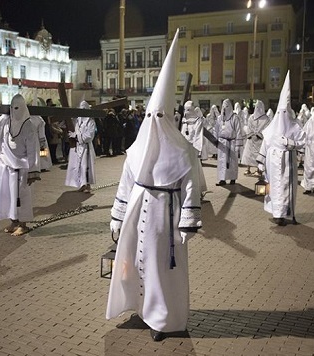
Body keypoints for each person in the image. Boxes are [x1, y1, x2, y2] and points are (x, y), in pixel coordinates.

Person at [106, 29, 202, 342]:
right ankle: (141, 309)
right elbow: (125, 184)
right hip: (138, 216)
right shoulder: (136, 149)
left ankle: (164, 320)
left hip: (166, 219)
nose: (154, 120)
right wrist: (117, 219)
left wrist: (188, 221)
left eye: (160, 115)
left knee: (163, 273)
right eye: (151, 115)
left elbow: (190, 186)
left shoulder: (183, 149)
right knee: (134, 264)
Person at [0, 94, 41, 236]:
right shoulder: (4, 120)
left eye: (17, 108)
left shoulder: (29, 126)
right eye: (12, 108)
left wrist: (33, 171)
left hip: (22, 168)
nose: (15, 111)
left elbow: (33, 151)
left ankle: (23, 224)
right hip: (5, 166)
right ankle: (13, 221)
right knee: (7, 196)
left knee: (22, 197)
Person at [256, 71, 306, 226]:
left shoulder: (294, 126)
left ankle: (284, 213)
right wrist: (260, 162)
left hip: (287, 162)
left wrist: (289, 143)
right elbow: (266, 143)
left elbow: (303, 142)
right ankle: (277, 213)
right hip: (272, 162)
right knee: (274, 187)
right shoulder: (272, 127)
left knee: (285, 187)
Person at [64, 101, 96, 193]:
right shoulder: (78, 120)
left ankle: (87, 185)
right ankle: (82, 184)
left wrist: (77, 136)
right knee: (78, 166)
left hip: (86, 148)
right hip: (78, 146)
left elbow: (90, 135)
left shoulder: (90, 121)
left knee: (86, 166)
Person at [215, 98, 243, 185]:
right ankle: (222, 179)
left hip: (232, 143)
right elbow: (216, 129)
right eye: (223, 106)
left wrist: (238, 145)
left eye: (226, 106)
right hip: (222, 143)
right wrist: (216, 141)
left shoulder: (235, 118)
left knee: (232, 162)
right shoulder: (220, 118)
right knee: (222, 161)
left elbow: (238, 131)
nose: (224, 108)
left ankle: (232, 178)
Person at [241, 100, 270, 176]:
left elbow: (266, 129)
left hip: (260, 140)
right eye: (256, 107)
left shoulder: (266, 119)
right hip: (251, 139)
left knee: (259, 155)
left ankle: (258, 170)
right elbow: (249, 126)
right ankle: (248, 169)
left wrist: (259, 134)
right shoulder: (251, 117)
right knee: (249, 155)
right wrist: (251, 134)